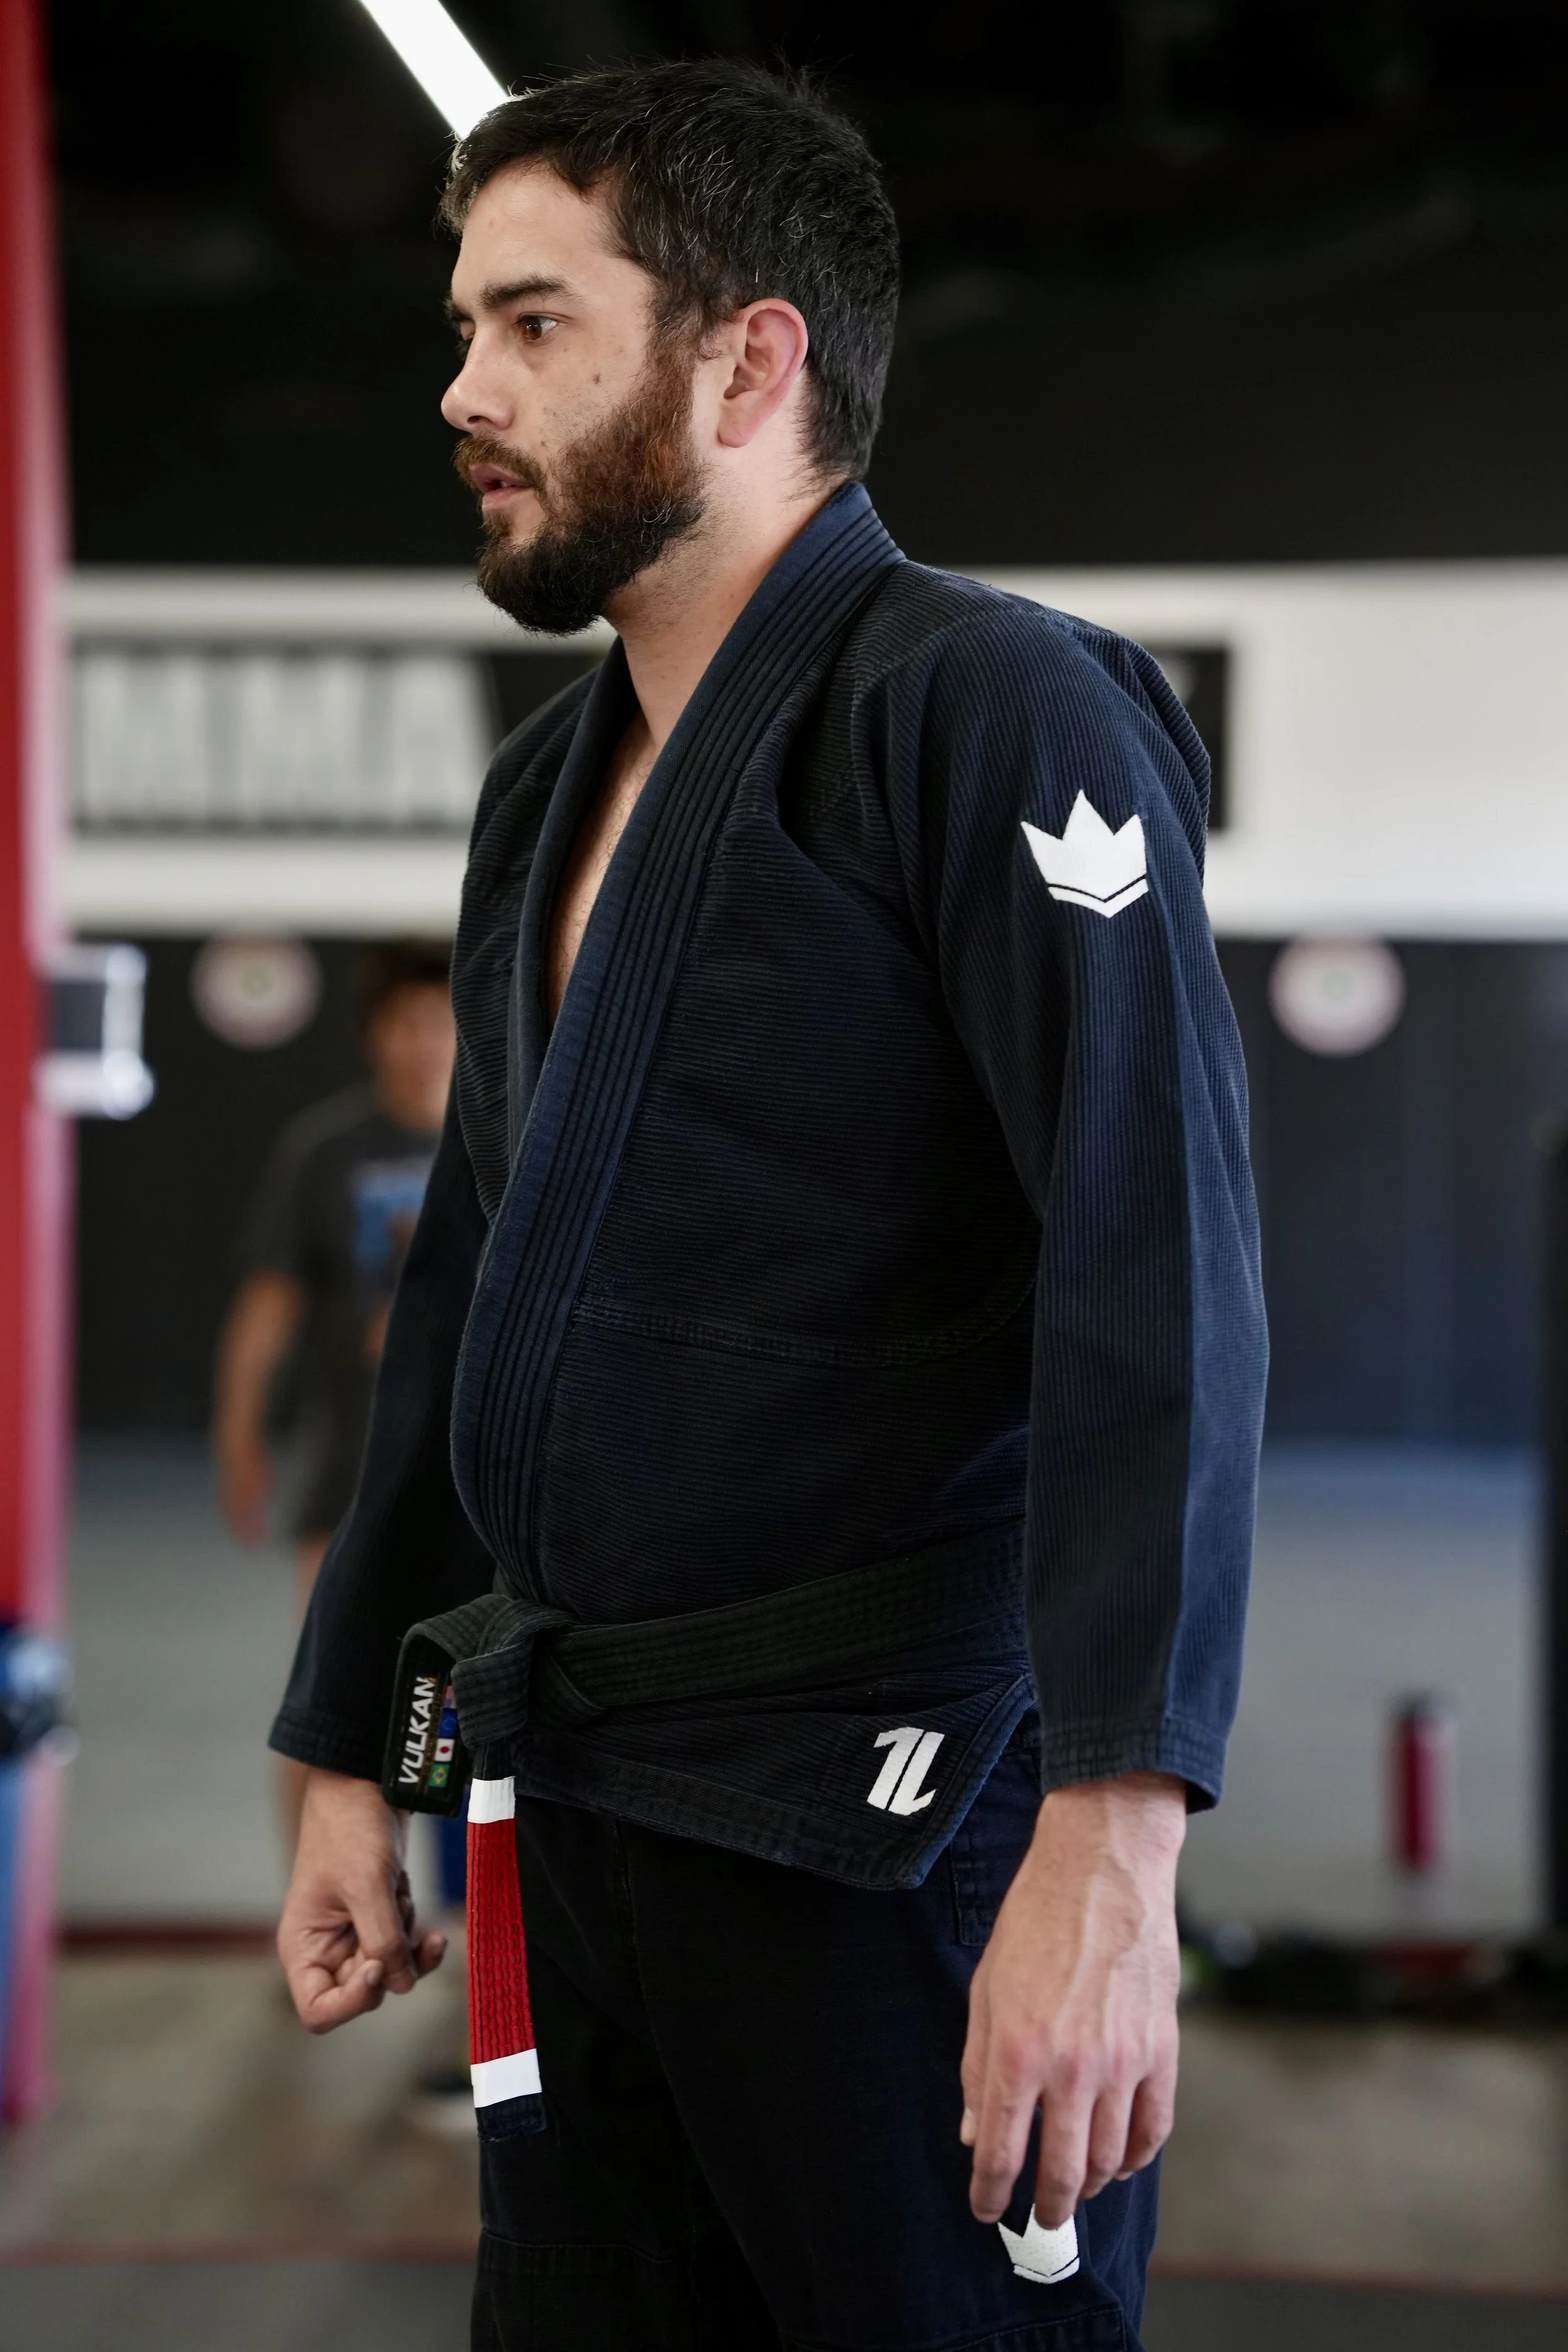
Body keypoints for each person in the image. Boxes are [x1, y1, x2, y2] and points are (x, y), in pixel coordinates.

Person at [270, 60, 1267, 2352]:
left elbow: (1161, 1287)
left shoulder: (992, 709)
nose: (463, 389)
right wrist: (352, 1747)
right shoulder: (550, 785)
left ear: (748, 357)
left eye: (533, 323)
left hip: (891, 1825)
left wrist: (1114, 1861)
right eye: (462, 324)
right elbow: (466, 1301)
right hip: (575, 1800)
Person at [213, 941, 455, 1850]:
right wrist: (239, 1434)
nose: (426, 1039)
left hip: (479, 1480)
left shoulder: (505, 1132)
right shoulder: (326, 1151)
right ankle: (319, 1909)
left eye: (442, 1018)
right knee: (329, 1704)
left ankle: (477, 1934)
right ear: (374, 1034)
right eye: (406, 1020)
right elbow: (265, 1308)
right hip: (352, 1474)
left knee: (467, 1710)